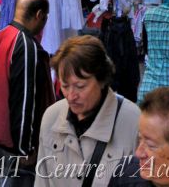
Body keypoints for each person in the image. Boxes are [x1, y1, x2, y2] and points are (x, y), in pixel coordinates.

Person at [35, 35, 141, 187]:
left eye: (80, 86)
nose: (71, 96)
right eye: (65, 86)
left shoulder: (133, 121)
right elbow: (42, 181)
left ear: (102, 79)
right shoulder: (51, 116)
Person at [0, 0, 54, 186]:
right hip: (14, 140)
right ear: (38, 15)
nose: (45, 23)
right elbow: (24, 100)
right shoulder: (26, 46)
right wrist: (25, 148)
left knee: (7, 177)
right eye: (45, 18)